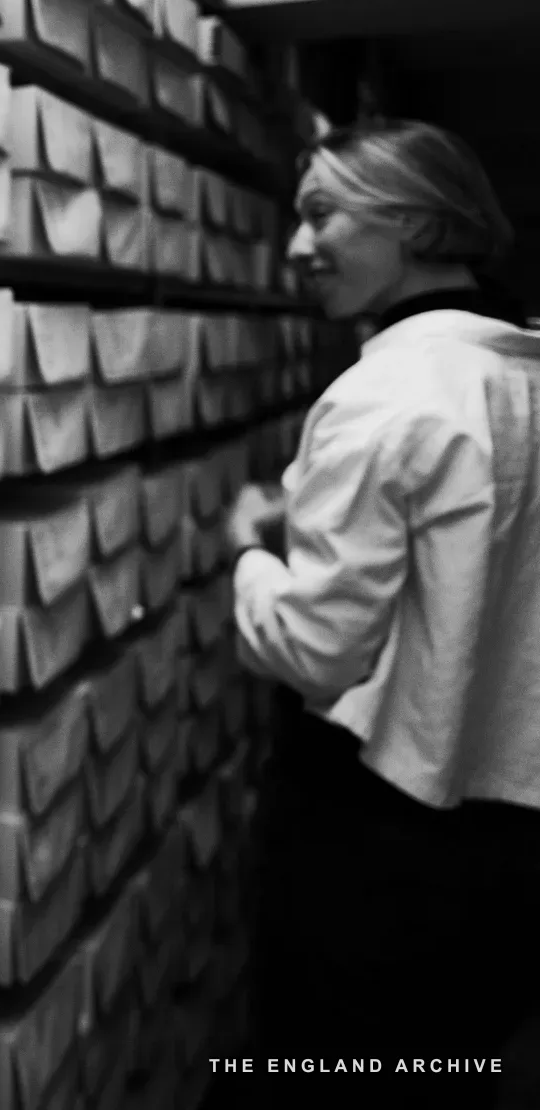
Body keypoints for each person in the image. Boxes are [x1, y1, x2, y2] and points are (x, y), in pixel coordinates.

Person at [226, 120, 540, 1109]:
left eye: (322, 214)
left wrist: (249, 557)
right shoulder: (520, 371)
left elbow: (316, 650)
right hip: (508, 832)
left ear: (413, 223)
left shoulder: (383, 394)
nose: (297, 245)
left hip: (381, 833)